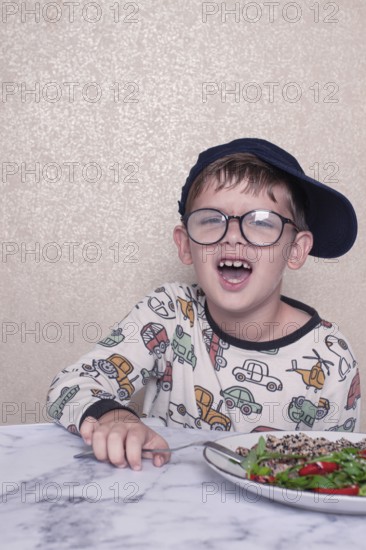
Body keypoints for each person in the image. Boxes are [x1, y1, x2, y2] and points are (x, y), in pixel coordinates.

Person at [47, 137, 361, 470]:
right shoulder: (168, 315)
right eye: (212, 219)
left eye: (261, 221)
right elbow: (70, 385)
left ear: (296, 250)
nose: (234, 235)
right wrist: (114, 416)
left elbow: (336, 472)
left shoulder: (330, 358)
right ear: (185, 245)